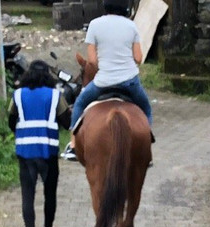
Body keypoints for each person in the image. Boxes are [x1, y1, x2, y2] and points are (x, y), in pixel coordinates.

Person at [64, 0, 153, 160]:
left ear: (105, 6)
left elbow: (91, 61)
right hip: (130, 82)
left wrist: (106, 66)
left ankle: (73, 146)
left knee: (79, 104)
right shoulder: (131, 26)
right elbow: (138, 58)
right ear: (125, 7)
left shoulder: (94, 24)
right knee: (146, 107)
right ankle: (145, 147)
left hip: (103, 82)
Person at [9, 60, 72, 227]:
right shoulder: (55, 96)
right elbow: (66, 122)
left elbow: (11, 121)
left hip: (25, 152)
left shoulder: (18, 95)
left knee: (27, 196)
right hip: (48, 152)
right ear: (47, 76)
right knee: (49, 192)